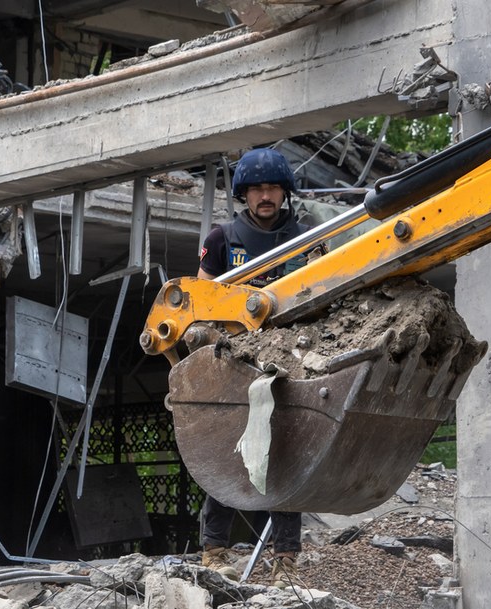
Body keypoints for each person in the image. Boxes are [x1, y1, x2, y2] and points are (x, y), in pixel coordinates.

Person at [197, 148, 315, 588]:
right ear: (244, 193)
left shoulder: (307, 238)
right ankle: (214, 550)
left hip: (292, 364)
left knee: (285, 456)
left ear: (285, 191)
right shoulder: (223, 239)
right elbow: (203, 302)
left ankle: (285, 560)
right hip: (234, 361)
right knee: (226, 453)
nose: (265, 196)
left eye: (272, 188)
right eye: (257, 189)